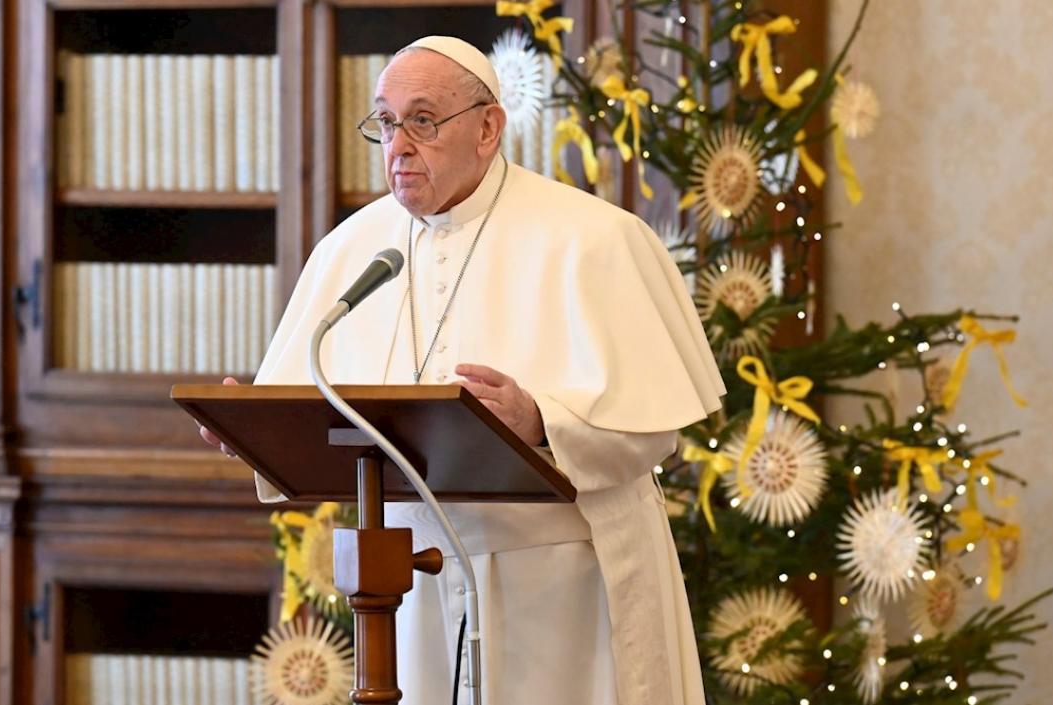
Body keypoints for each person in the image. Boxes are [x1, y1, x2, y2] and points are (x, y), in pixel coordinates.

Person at [200, 35, 725, 705]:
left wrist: (540, 420)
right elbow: (319, 414)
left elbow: (652, 432)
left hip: (564, 588)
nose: (398, 146)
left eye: (422, 120)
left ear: (487, 128)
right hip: (410, 591)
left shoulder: (593, 239)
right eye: (386, 122)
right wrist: (257, 428)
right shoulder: (352, 249)